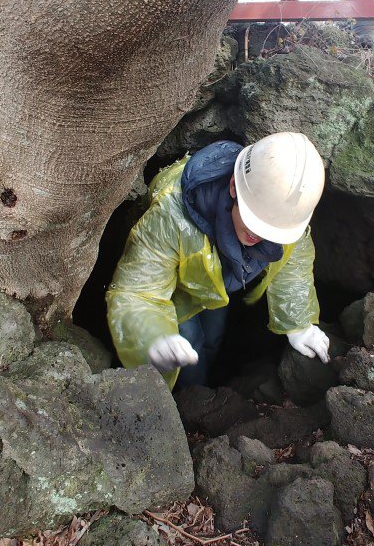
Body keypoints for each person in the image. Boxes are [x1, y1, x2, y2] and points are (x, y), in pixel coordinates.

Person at [107, 132, 329, 389]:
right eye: (255, 222)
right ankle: (193, 398)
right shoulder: (171, 213)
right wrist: (151, 336)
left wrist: (298, 324)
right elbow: (137, 291)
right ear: (234, 186)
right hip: (172, 287)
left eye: (273, 231)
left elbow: (294, 256)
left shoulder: (282, 213)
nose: (261, 236)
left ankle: (204, 383)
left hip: (218, 282)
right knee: (188, 344)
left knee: (213, 337)